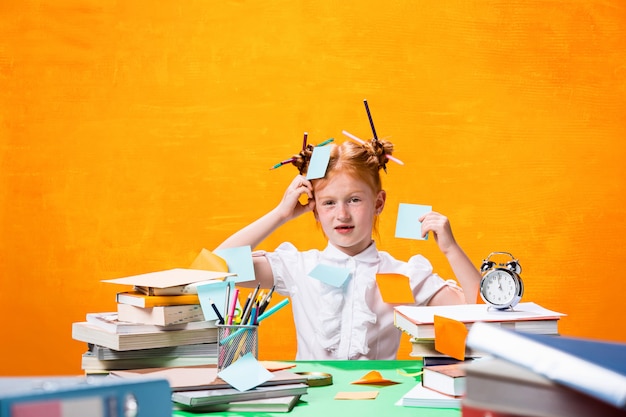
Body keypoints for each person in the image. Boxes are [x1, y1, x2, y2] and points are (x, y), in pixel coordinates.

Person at [215, 137, 481, 360]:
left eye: (354, 200)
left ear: (378, 203)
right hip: (313, 402)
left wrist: (451, 249)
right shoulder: (299, 267)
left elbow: (481, 313)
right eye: (329, 203)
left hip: (377, 401)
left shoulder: (405, 274)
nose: (342, 214)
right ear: (314, 208)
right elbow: (216, 267)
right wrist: (280, 214)